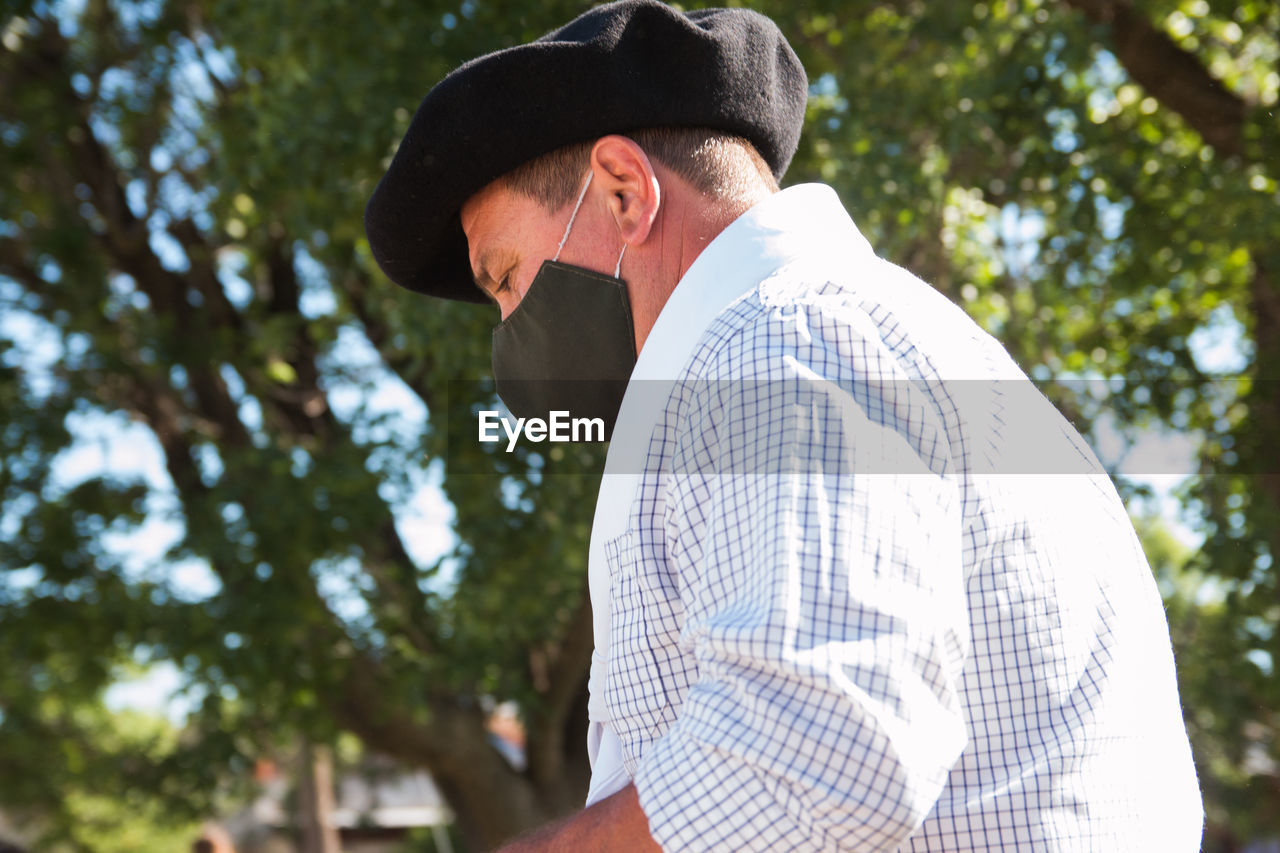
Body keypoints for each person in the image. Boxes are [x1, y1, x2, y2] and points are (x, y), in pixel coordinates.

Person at [365, 1, 1205, 849]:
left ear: (623, 191)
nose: (509, 326)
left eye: (505, 278)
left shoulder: (777, 347)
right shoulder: (873, 336)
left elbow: (815, 757)